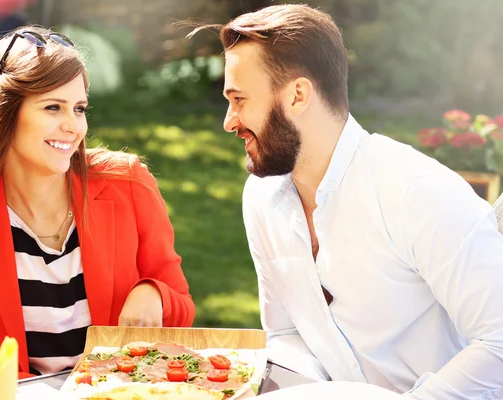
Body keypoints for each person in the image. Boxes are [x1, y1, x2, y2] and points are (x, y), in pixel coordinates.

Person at [190, 4, 503, 399]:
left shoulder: (417, 191)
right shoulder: (262, 197)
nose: (228, 121)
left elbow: (498, 342)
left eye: (239, 100)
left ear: (298, 96)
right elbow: (287, 333)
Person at [0, 26, 195, 382]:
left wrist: (153, 294)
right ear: (3, 114)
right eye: (53, 107)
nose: (73, 126)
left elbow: (182, 310)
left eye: (79, 108)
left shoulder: (127, 183)